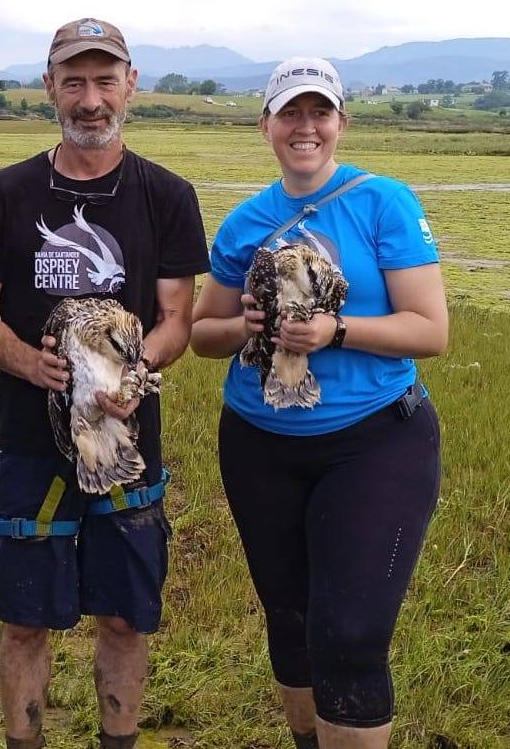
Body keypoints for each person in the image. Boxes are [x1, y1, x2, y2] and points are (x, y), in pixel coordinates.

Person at [0, 18, 209, 749]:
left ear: (130, 85)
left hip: (125, 437)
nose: (90, 99)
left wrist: (136, 373)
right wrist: (26, 362)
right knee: (23, 614)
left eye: (104, 81)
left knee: (126, 613)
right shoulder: (7, 193)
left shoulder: (166, 195)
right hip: (31, 443)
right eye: (74, 82)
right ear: (49, 88)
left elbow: (175, 318)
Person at [189, 57, 448, 749]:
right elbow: (200, 335)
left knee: (352, 634)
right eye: (289, 113)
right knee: (291, 619)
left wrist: (337, 329)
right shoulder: (246, 221)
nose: (305, 126)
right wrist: (241, 326)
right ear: (265, 125)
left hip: (373, 442)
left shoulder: (382, 201)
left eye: (319, 112)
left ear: (339, 122)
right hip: (258, 442)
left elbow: (430, 330)